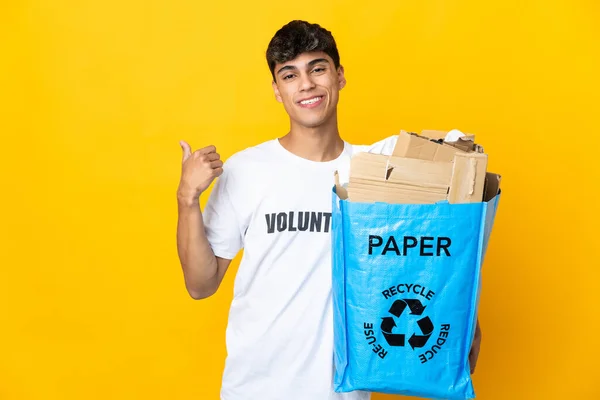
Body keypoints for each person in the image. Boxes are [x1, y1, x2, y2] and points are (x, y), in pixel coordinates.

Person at [176, 20, 481, 400]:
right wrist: (187, 199)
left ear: (339, 76)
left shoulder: (378, 167)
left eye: (317, 68)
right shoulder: (246, 170)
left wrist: (462, 316)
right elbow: (200, 285)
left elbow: (441, 225)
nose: (305, 84)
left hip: (343, 393)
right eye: (290, 75)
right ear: (277, 90)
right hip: (253, 389)